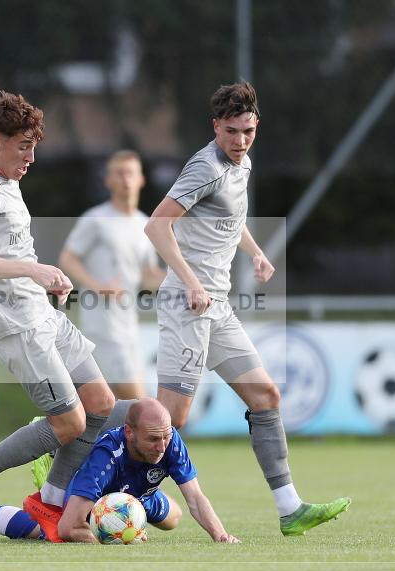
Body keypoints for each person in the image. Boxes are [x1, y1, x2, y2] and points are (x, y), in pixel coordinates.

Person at [143, 81, 350, 536]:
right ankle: (79, 434)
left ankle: (289, 508)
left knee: (266, 396)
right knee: (168, 420)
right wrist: (193, 283)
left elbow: (230, 223)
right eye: (232, 131)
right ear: (216, 126)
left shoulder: (244, 163)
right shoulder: (206, 168)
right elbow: (157, 227)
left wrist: (255, 251)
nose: (240, 141)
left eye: (249, 132)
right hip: (188, 301)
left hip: (216, 307)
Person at [0, 91, 134, 542]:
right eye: (22, 147)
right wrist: (34, 269)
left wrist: (46, 278)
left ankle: (49, 505)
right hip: (19, 327)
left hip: (43, 316)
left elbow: (10, 250)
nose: (31, 157)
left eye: (34, 147)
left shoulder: (8, 182)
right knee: (69, 422)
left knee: (101, 406)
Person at [0, 399, 238, 544]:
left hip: (127, 490)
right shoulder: (105, 456)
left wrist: (220, 535)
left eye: (165, 437)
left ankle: (130, 502)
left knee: (173, 518)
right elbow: (69, 528)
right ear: (130, 433)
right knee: (49, 531)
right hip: (75, 473)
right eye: (153, 439)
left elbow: (195, 497)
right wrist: (114, 535)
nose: (161, 445)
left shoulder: (168, 440)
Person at [59, 150, 165, 399]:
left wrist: (184, 278)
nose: (125, 179)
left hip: (129, 325)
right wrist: (99, 286)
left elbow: (147, 277)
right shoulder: (96, 219)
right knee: (139, 402)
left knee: (112, 406)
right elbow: (67, 259)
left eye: (130, 173)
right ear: (108, 180)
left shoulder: (144, 223)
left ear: (141, 180)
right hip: (102, 325)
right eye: (119, 173)